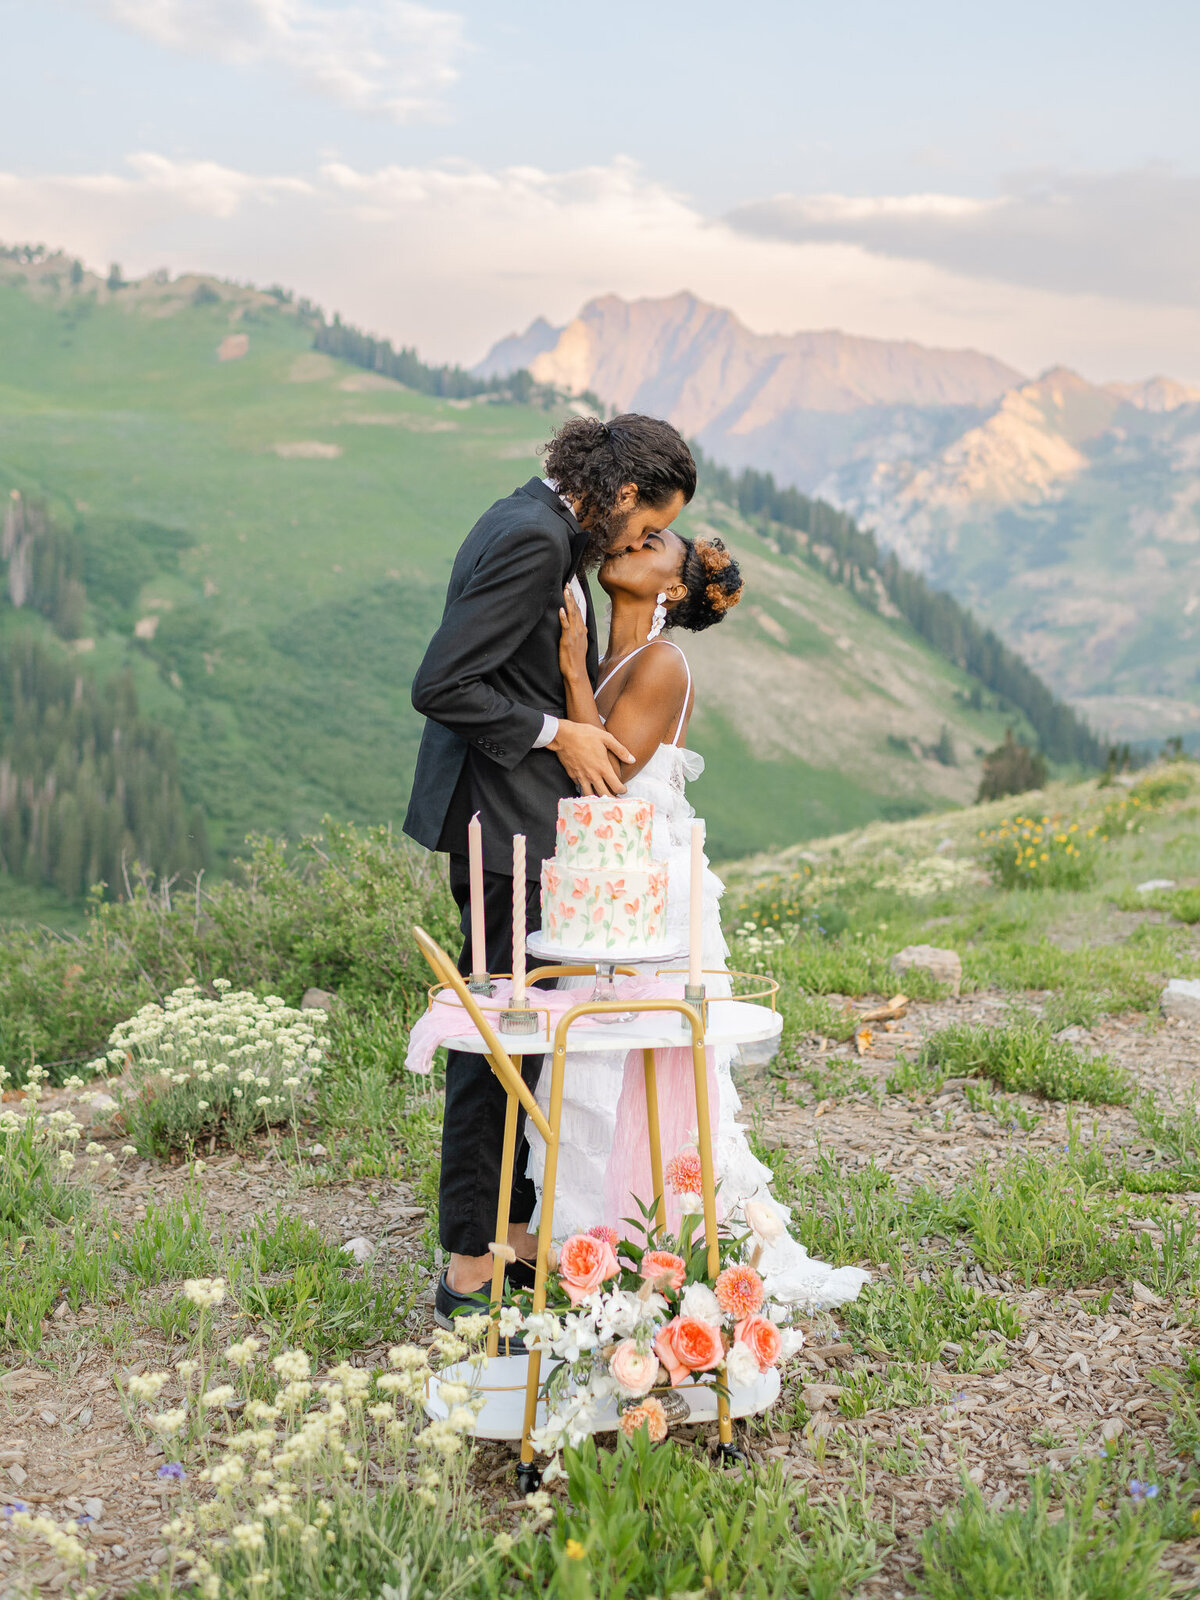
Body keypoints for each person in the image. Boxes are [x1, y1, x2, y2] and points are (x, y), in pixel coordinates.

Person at [523, 526, 869, 1312]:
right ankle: (604, 1233)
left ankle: (681, 1233)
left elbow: (605, 770)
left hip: (651, 890)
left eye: (652, 545)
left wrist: (571, 671)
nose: (627, 545)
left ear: (672, 589)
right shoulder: (614, 658)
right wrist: (578, 669)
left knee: (656, 1055)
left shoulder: (662, 664)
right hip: (606, 886)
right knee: (602, 1052)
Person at [403, 414, 698, 1327]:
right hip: (505, 825)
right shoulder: (536, 540)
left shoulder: (533, 521)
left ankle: (514, 1235)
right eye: (647, 520)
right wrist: (556, 730)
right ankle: (469, 1265)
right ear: (619, 494)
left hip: (517, 824)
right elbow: (444, 682)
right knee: (494, 1037)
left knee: (520, 1029)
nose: (640, 540)